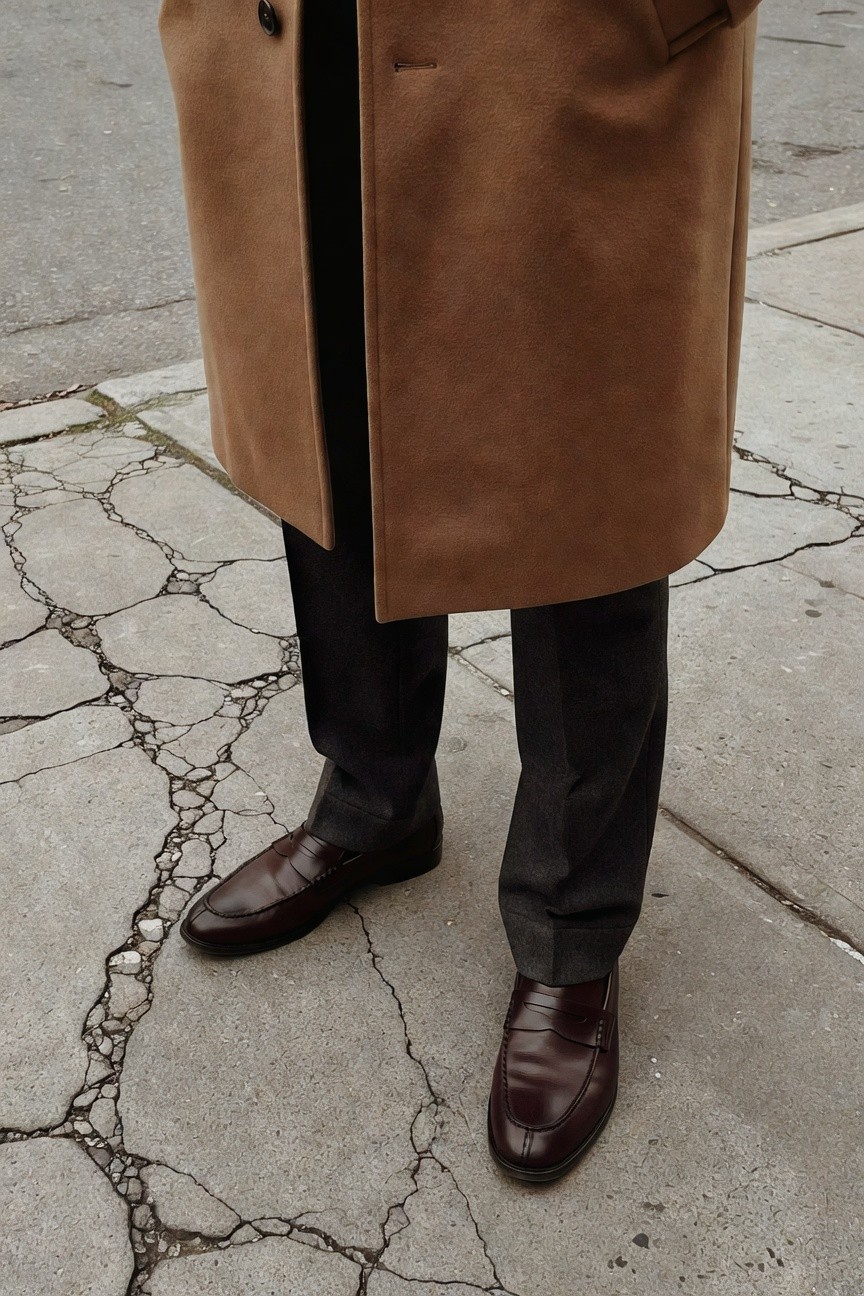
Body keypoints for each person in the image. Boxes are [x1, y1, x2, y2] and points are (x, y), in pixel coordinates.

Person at [158, 0, 761, 1181]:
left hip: (565, 37)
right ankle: (375, 802)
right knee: (326, 416)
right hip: (292, 37)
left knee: (588, 471)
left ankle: (571, 925)